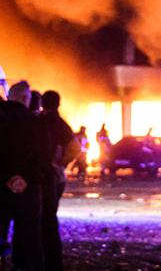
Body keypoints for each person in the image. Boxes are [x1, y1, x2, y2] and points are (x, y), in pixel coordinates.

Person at [0, 81, 45, 270]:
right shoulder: (36, 122)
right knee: (29, 238)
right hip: (28, 190)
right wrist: (24, 179)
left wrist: (7, 178)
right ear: (26, 99)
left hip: (1, 188)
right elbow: (43, 156)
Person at [39, 90, 79, 271]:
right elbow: (75, 148)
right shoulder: (61, 124)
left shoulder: (42, 122)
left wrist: (56, 163)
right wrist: (62, 163)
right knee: (49, 219)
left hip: (48, 177)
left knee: (45, 220)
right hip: (57, 178)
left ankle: (48, 261)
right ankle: (53, 262)